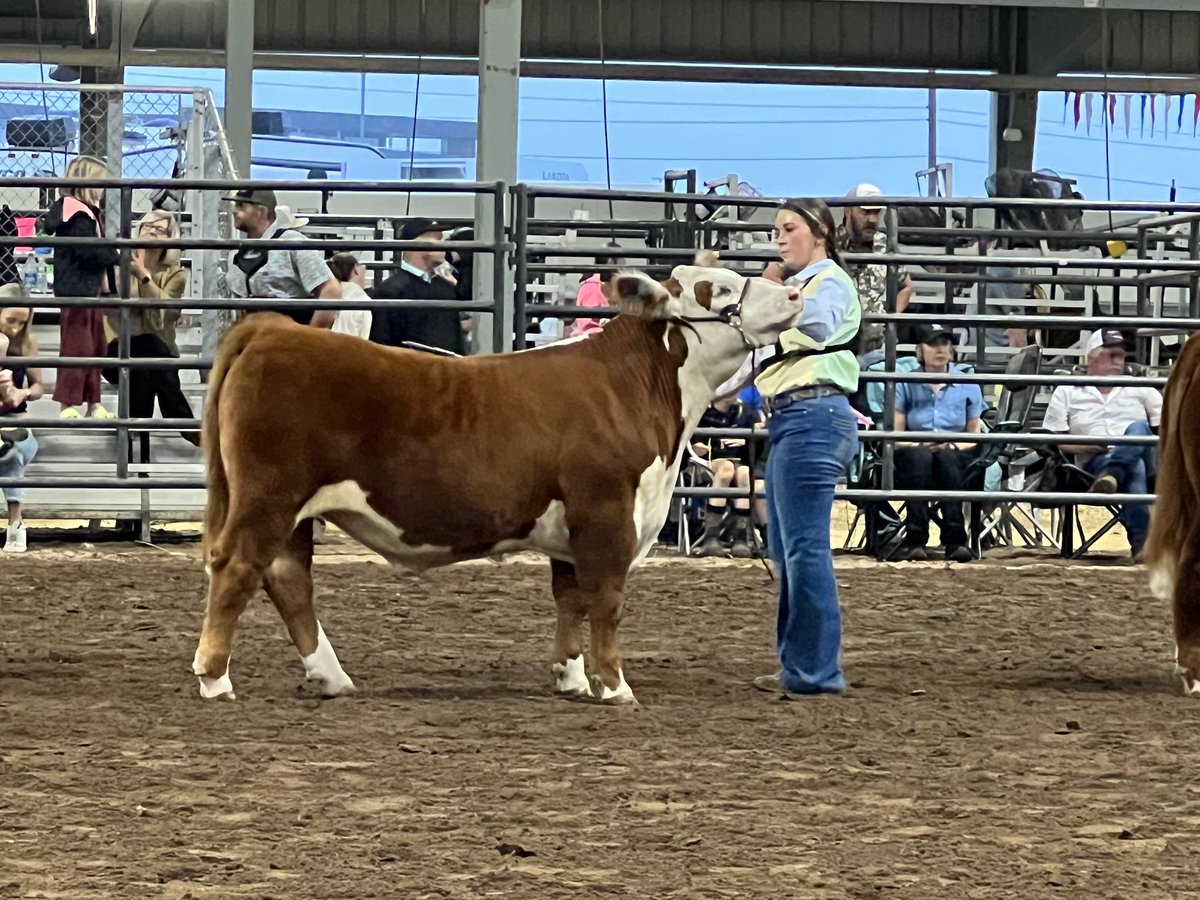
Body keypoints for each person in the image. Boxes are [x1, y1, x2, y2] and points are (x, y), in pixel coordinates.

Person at [753, 197, 862, 697]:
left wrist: (777, 299)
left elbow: (817, 325)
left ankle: (816, 671)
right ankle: (800, 666)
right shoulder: (801, 286)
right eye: (777, 230)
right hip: (793, 418)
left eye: (788, 228)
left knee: (804, 548)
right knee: (789, 548)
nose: (779, 238)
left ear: (818, 231)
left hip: (813, 415)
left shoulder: (829, 281)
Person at [1042, 328, 1162, 559]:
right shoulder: (1067, 390)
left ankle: (1112, 474)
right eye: (1112, 355)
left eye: (1122, 356)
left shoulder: (1140, 386)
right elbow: (1055, 442)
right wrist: (1089, 445)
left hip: (1146, 461)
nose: (1120, 361)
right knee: (1133, 466)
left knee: (1138, 427)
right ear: (1093, 357)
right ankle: (1141, 545)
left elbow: (1164, 429)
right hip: (1092, 464)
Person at [101, 210, 198, 445]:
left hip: (155, 359)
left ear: (170, 238)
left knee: (145, 367)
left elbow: (158, 321)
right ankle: (185, 424)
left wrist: (144, 276)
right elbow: (109, 308)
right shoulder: (118, 260)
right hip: (117, 352)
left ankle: (130, 432)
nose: (153, 231)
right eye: (148, 226)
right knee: (151, 347)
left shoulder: (176, 274)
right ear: (139, 229)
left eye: (161, 229)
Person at [891, 324, 985, 563]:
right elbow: (897, 433)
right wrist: (918, 445)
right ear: (920, 350)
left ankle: (953, 539)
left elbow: (974, 433)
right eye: (933, 344)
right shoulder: (905, 383)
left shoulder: (967, 383)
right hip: (913, 449)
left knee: (946, 456)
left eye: (944, 343)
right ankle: (917, 538)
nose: (940, 349)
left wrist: (953, 446)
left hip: (956, 450)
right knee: (920, 457)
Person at [43, 154, 117, 419]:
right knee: (77, 347)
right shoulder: (76, 215)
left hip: (88, 288)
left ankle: (93, 402)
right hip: (77, 290)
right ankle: (68, 403)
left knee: (95, 346)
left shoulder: (86, 213)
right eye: (100, 183)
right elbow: (89, 251)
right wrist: (118, 254)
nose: (104, 189)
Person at [223, 189, 339, 328]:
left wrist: (310, 337)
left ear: (261, 211)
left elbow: (331, 290)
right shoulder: (237, 254)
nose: (234, 211)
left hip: (289, 338)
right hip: (257, 338)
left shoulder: (291, 243)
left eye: (241, 205)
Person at [369, 218, 467, 356]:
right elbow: (381, 346)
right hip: (410, 372)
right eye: (437, 239)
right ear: (417, 243)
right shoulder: (390, 291)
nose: (445, 245)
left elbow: (456, 339)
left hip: (445, 372)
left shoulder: (446, 288)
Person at [837, 183, 915, 355]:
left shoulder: (885, 244)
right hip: (837, 346)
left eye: (876, 212)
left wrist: (888, 318)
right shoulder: (828, 246)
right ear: (848, 211)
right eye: (865, 212)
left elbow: (906, 287)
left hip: (877, 349)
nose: (872, 219)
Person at [0, 284, 46, 552]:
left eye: (22, 322)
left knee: (14, 450)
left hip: (18, 424)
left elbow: (40, 387)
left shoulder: (27, 343)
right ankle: (16, 524)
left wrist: (22, 393)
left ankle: (16, 523)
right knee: (9, 455)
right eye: (11, 321)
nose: (16, 328)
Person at [325, 252, 373, 340]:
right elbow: (365, 338)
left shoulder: (324, 297)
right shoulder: (364, 301)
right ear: (355, 269)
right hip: (353, 349)